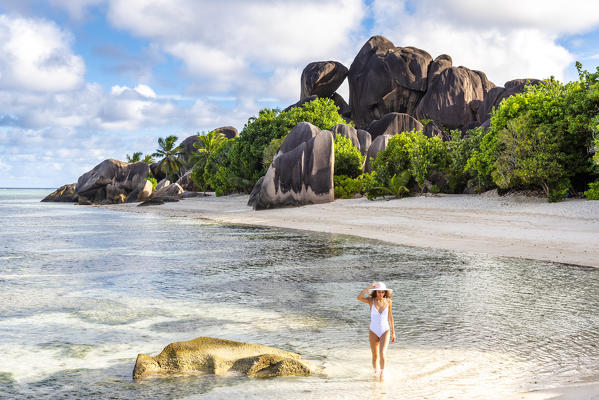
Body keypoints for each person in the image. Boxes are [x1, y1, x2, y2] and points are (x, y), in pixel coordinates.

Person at [357, 282, 395, 379]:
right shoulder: (371, 301)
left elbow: (390, 317)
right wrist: (370, 287)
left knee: (382, 353)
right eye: (379, 292)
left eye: (382, 292)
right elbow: (359, 297)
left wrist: (393, 332)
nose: (381, 294)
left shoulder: (388, 301)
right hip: (373, 330)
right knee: (375, 355)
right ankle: (375, 373)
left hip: (385, 330)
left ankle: (382, 374)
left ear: (385, 292)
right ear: (375, 292)